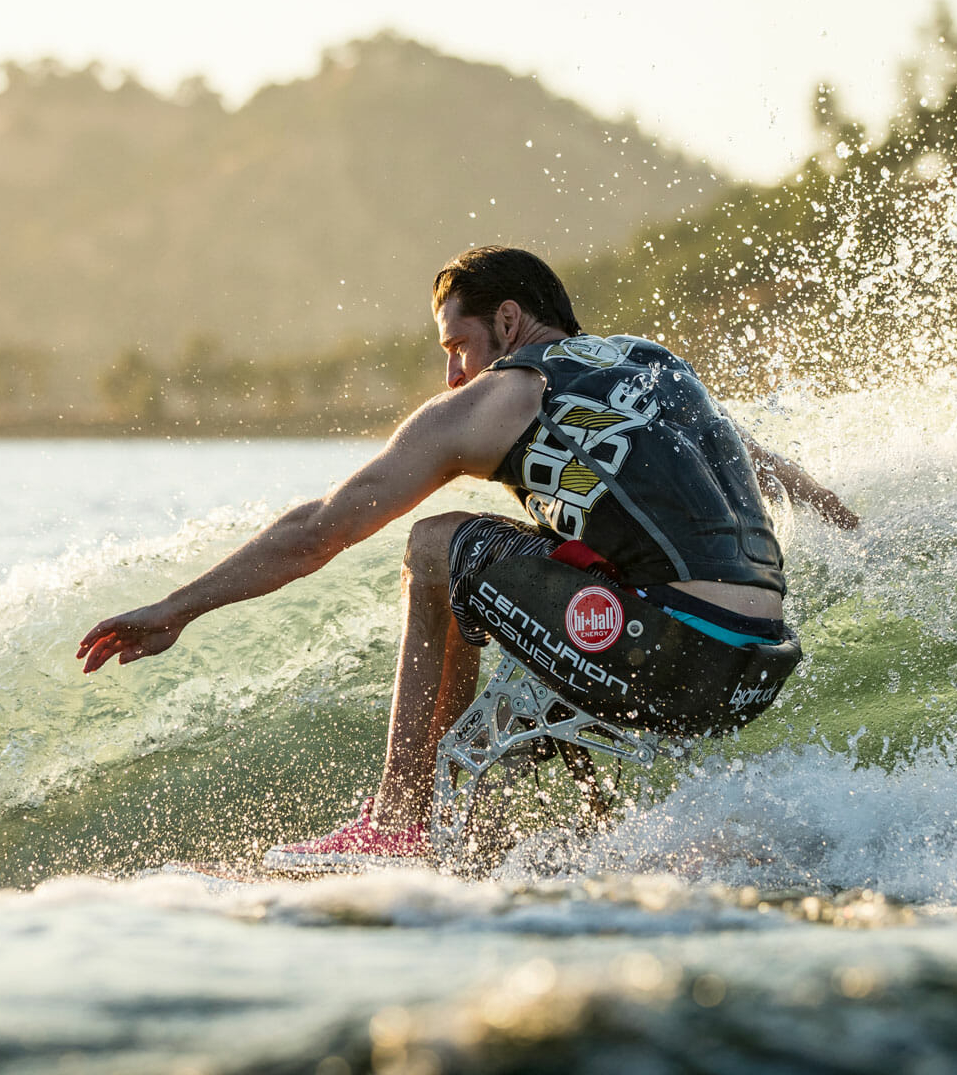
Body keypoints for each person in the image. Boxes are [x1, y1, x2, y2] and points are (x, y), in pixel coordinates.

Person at [78, 246, 858, 866]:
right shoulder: (653, 365)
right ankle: (555, 846)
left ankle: (397, 823)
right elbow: (762, 465)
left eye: (458, 346)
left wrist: (176, 607)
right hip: (755, 668)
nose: (453, 374)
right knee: (541, 604)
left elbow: (321, 528)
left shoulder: (508, 392)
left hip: (671, 649)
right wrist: (861, 532)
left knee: (435, 545)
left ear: (510, 322)